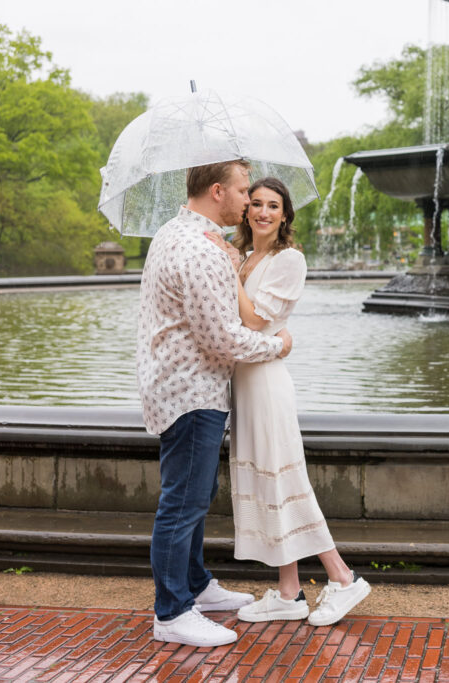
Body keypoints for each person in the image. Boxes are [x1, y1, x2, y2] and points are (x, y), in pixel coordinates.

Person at [136, 160, 293, 648]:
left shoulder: (179, 233)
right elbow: (221, 338)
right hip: (191, 390)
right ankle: (172, 612)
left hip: (180, 385)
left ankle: (197, 587)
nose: (249, 202)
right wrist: (278, 346)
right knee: (183, 502)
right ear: (219, 191)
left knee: (193, 497)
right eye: (245, 191)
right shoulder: (199, 251)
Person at [205, 176, 370, 626]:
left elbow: (255, 318)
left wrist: (226, 267)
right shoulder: (243, 257)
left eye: (272, 206)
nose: (261, 212)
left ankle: (342, 577)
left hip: (267, 384)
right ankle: (289, 591)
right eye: (255, 203)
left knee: (287, 481)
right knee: (267, 486)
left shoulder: (288, 259)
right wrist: (229, 263)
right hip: (244, 382)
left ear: (284, 215)